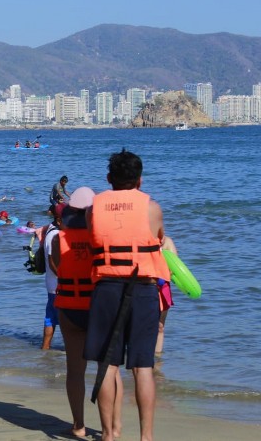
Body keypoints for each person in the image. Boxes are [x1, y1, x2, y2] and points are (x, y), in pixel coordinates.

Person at [84, 149, 170, 441]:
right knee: (143, 366)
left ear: (109, 179)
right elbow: (159, 238)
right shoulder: (152, 208)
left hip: (106, 287)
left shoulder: (92, 208)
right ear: (140, 180)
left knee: (107, 365)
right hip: (143, 289)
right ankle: (146, 437)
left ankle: (109, 434)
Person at [51, 187, 124, 437]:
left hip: (69, 306)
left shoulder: (57, 239)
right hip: (98, 307)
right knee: (109, 368)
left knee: (75, 370)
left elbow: (57, 267)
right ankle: (113, 427)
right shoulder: (102, 238)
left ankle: (78, 425)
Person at [41, 203, 62, 349]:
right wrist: (63, 279)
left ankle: (45, 349)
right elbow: (52, 261)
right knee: (65, 320)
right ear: (59, 219)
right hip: (58, 285)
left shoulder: (50, 229)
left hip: (51, 284)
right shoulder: (55, 235)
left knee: (50, 319)